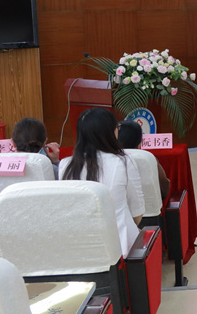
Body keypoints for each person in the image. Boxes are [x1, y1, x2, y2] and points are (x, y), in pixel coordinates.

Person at [59, 108, 145, 258]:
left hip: (77, 248)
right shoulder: (124, 161)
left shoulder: (65, 165)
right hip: (119, 248)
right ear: (109, 132)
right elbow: (137, 213)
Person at [117, 120, 170, 205]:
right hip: (150, 212)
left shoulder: (108, 159)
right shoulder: (148, 158)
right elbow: (164, 190)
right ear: (140, 141)